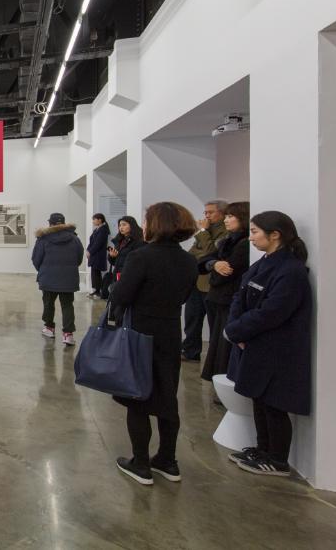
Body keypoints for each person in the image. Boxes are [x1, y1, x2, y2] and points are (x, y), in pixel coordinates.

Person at [109, 202, 198, 486]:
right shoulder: (188, 261)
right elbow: (183, 297)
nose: (143, 226)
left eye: (146, 221)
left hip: (140, 333)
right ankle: (168, 460)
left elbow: (122, 296)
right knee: (167, 396)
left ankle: (141, 463)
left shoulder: (142, 257)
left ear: (156, 225)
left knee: (138, 398)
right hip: (170, 332)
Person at [224, 211, 312, 477]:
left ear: (275, 235)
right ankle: (263, 449)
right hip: (254, 343)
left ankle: (277, 459)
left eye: (254, 232)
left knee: (274, 403)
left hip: (276, 347)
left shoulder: (291, 270)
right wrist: (236, 330)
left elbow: (273, 312)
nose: (250, 237)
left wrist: (237, 331)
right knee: (259, 398)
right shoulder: (264, 263)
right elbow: (240, 296)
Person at [200, 201, 250, 382]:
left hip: (228, 298)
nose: (226, 220)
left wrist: (212, 265)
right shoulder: (228, 240)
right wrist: (213, 264)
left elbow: (227, 272)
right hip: (217, 298)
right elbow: (201, 260)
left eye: (230, 216)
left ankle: (225, 382)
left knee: (224, 345)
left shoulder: (243, 244)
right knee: (218, 343)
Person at [182, 200, 229, 362]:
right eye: (205, 212)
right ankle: (190, 351)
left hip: (211, 284)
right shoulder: (206, 233)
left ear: (222, 214)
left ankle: (214, 357)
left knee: (214, 322)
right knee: (192, 319)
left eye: (210, 212)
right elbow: (192, 253)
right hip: (196, 281)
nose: (206, 216)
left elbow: (210, 252)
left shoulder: (224, 232)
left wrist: (202, 231)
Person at [31, 212, 84, 346]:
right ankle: (68, 334)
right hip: (68, 278)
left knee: (48, 303)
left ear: (50, 224)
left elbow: (36, 259)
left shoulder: (43, 239)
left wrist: (43, 270)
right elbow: (79, 258)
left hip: (48, 278)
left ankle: (49, 328)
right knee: (67, 305)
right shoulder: (74, 239)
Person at [85, 213, 110, 299]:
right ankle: (96, 290)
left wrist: (90, 252)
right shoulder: (97, 229)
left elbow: (98, 243)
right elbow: (92, 242)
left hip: (98, 254)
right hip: (94, 254)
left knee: (96, 273)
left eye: (94, 219)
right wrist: (88, 250)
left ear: (99, 220)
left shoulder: (103, 229)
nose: (93, 221)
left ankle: (98, 292)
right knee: (94, 272)